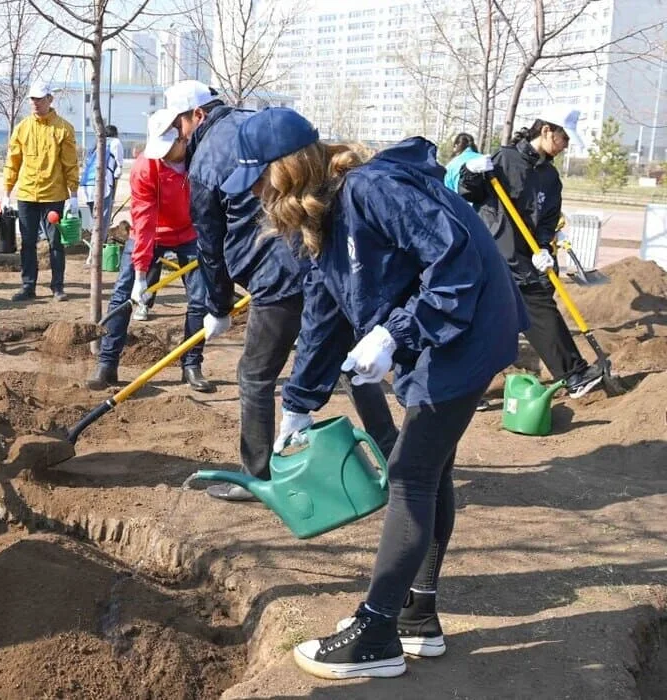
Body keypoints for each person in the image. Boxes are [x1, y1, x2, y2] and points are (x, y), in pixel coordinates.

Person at [222, 109, 525, 680]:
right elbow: (325, 310)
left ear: (287, 171)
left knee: (411, 473)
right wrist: (300, 401)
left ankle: (377, 632)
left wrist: (397, 332)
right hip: (441, 332)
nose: (259, 195)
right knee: (428, 471)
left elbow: (456, 256)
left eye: (262, 181)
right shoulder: (328, 218)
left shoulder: (370, 187)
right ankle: (417, 617)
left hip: (466, 328)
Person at [159, 80, 306, 501]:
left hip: (276, 275)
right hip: (317, 260)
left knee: (254, 375)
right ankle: (393, 458)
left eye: (180, 125)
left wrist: (217, 306)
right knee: (351, 365)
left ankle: (257, 477)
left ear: (198, 115)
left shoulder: (206, 158)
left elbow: (210, 242)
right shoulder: (258, 122)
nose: (179, 135)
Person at [458, 105, 604, 399]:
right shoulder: (504, 159)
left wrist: (544, 248)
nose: (565, 146)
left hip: (528, 256)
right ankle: (573, 374)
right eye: (564, 138)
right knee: (536, 306)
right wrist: (470, 174)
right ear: (547, 130)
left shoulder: (550, 177)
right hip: (497, 254)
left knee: (493, 322)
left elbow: (548, 218)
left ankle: (464, 389)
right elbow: (468, 193)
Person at [87, 109, 215, 394]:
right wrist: (141, 275)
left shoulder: (200, 160)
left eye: (170, 147)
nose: (165, 154)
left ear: (182, 138)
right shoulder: (146, 167)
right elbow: (144, 221)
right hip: (152, 232)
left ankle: (191, 365)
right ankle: (107, 364)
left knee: (199, 298)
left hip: (190, 232)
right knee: (123, 293)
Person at [2, 80, 80, 302]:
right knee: (27, 243)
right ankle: (28, 285)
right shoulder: (23, 128)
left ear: (50, 99)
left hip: (53, 195)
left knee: (55, 243)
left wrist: (74, 194)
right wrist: (7, 192)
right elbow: (13, 161)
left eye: (39, 99)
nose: (35, 103)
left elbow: (70, 164)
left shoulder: (63, 129)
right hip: (27, 194)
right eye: (32, 99)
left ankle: (58, 286)